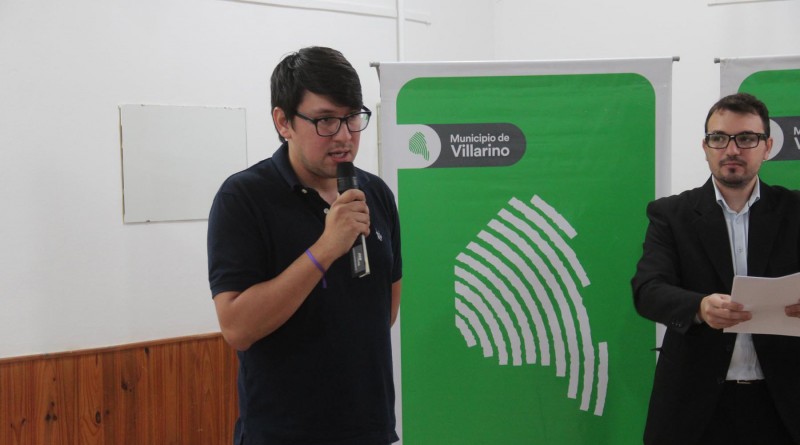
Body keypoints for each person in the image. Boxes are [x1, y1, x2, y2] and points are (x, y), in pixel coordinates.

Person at [207, 46, 401, 445]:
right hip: (283, 434)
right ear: (284, 122)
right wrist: (326, 248)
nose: (344, 136)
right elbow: (237, 328)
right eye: (326, 120)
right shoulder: (243, 198)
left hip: (370, 431)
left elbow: (385, 310)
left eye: (352, 117)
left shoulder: (376, 193)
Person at [631, 92, 800, 445]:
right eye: (719, 138)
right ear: (705, 146)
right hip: (694, 406)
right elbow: (648, 289)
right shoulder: (671, 214)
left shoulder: (794, 211)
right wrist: (699, 307)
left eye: (746, 138)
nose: (732, 149)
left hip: (784, 401)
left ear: (767, 147)